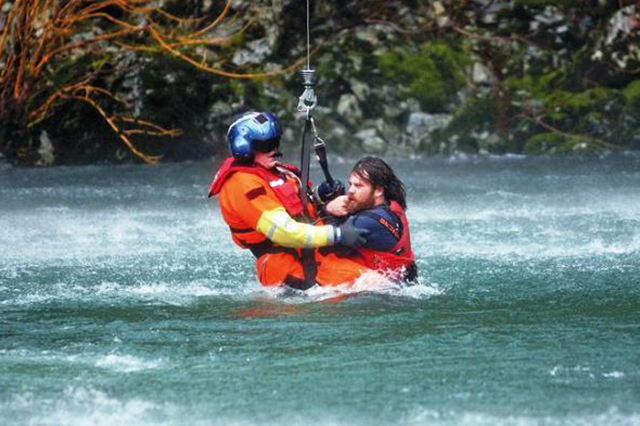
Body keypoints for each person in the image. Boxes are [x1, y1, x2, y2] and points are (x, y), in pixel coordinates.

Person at [207, 111, 370, 290]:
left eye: (275, 142)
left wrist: (320, 197)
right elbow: (283, 231)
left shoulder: (275, 170)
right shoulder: (242, 184)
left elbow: (297, 205)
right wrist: (337, 235)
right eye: (266, 145)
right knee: (371, 286)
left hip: (312, 253)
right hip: (286, 265)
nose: (274, 150)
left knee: (381, 280)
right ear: (244, 147)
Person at [323, 156, 418, 282]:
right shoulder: (389, 205)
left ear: (378, 191)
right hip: (401, 282)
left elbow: (324, 238)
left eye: (358, 186)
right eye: (350, 184)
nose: (350, 191)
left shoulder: (368, 222)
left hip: (383, 293)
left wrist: (327, 208)